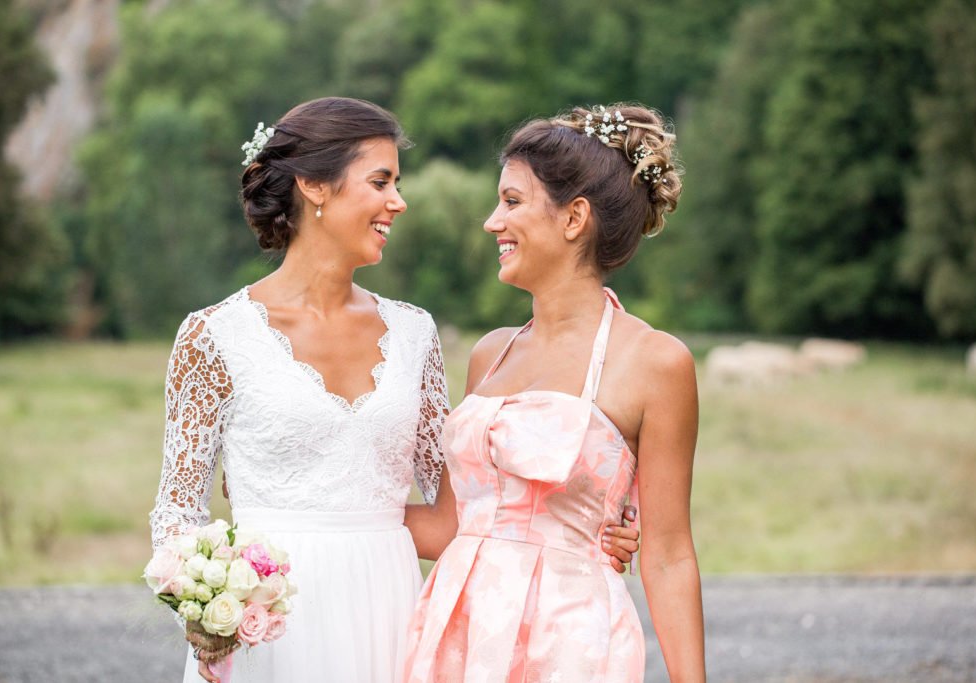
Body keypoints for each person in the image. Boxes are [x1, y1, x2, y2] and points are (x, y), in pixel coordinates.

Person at [148, 97, 640, 683]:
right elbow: (177, 511)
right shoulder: (213, 335)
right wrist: (209, 612)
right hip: (265, 625)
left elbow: (460, 513)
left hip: (390, 609)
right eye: (380, 181)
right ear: (314, 186)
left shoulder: (413, 334)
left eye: (397, 184)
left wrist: (586, 527)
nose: (398, 202)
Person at [403, 104, 706, 682]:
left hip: (569, 646)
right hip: (454, 638)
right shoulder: (492, 354)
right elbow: (450, 527)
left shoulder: (655, 362)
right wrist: (307, 501)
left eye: (512, 201)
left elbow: (668, 556)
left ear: (574, 219)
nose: (493, 221)